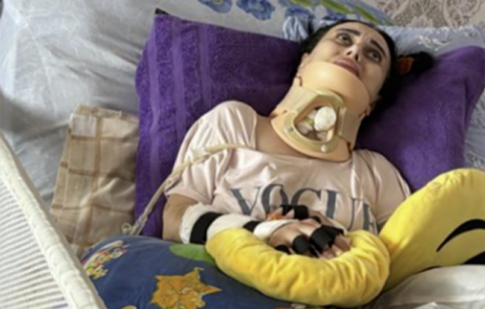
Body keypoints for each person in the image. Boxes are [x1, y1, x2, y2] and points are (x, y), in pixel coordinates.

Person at [162, 20, 430, 259]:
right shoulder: (234, 123)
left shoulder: (376, 173)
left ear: (373, 102)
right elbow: (174, 223)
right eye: (343, 38)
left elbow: (405, 265)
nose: (355, 51)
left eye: (374, 55)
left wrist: (339, 238)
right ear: (304, 61)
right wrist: (266, 231)